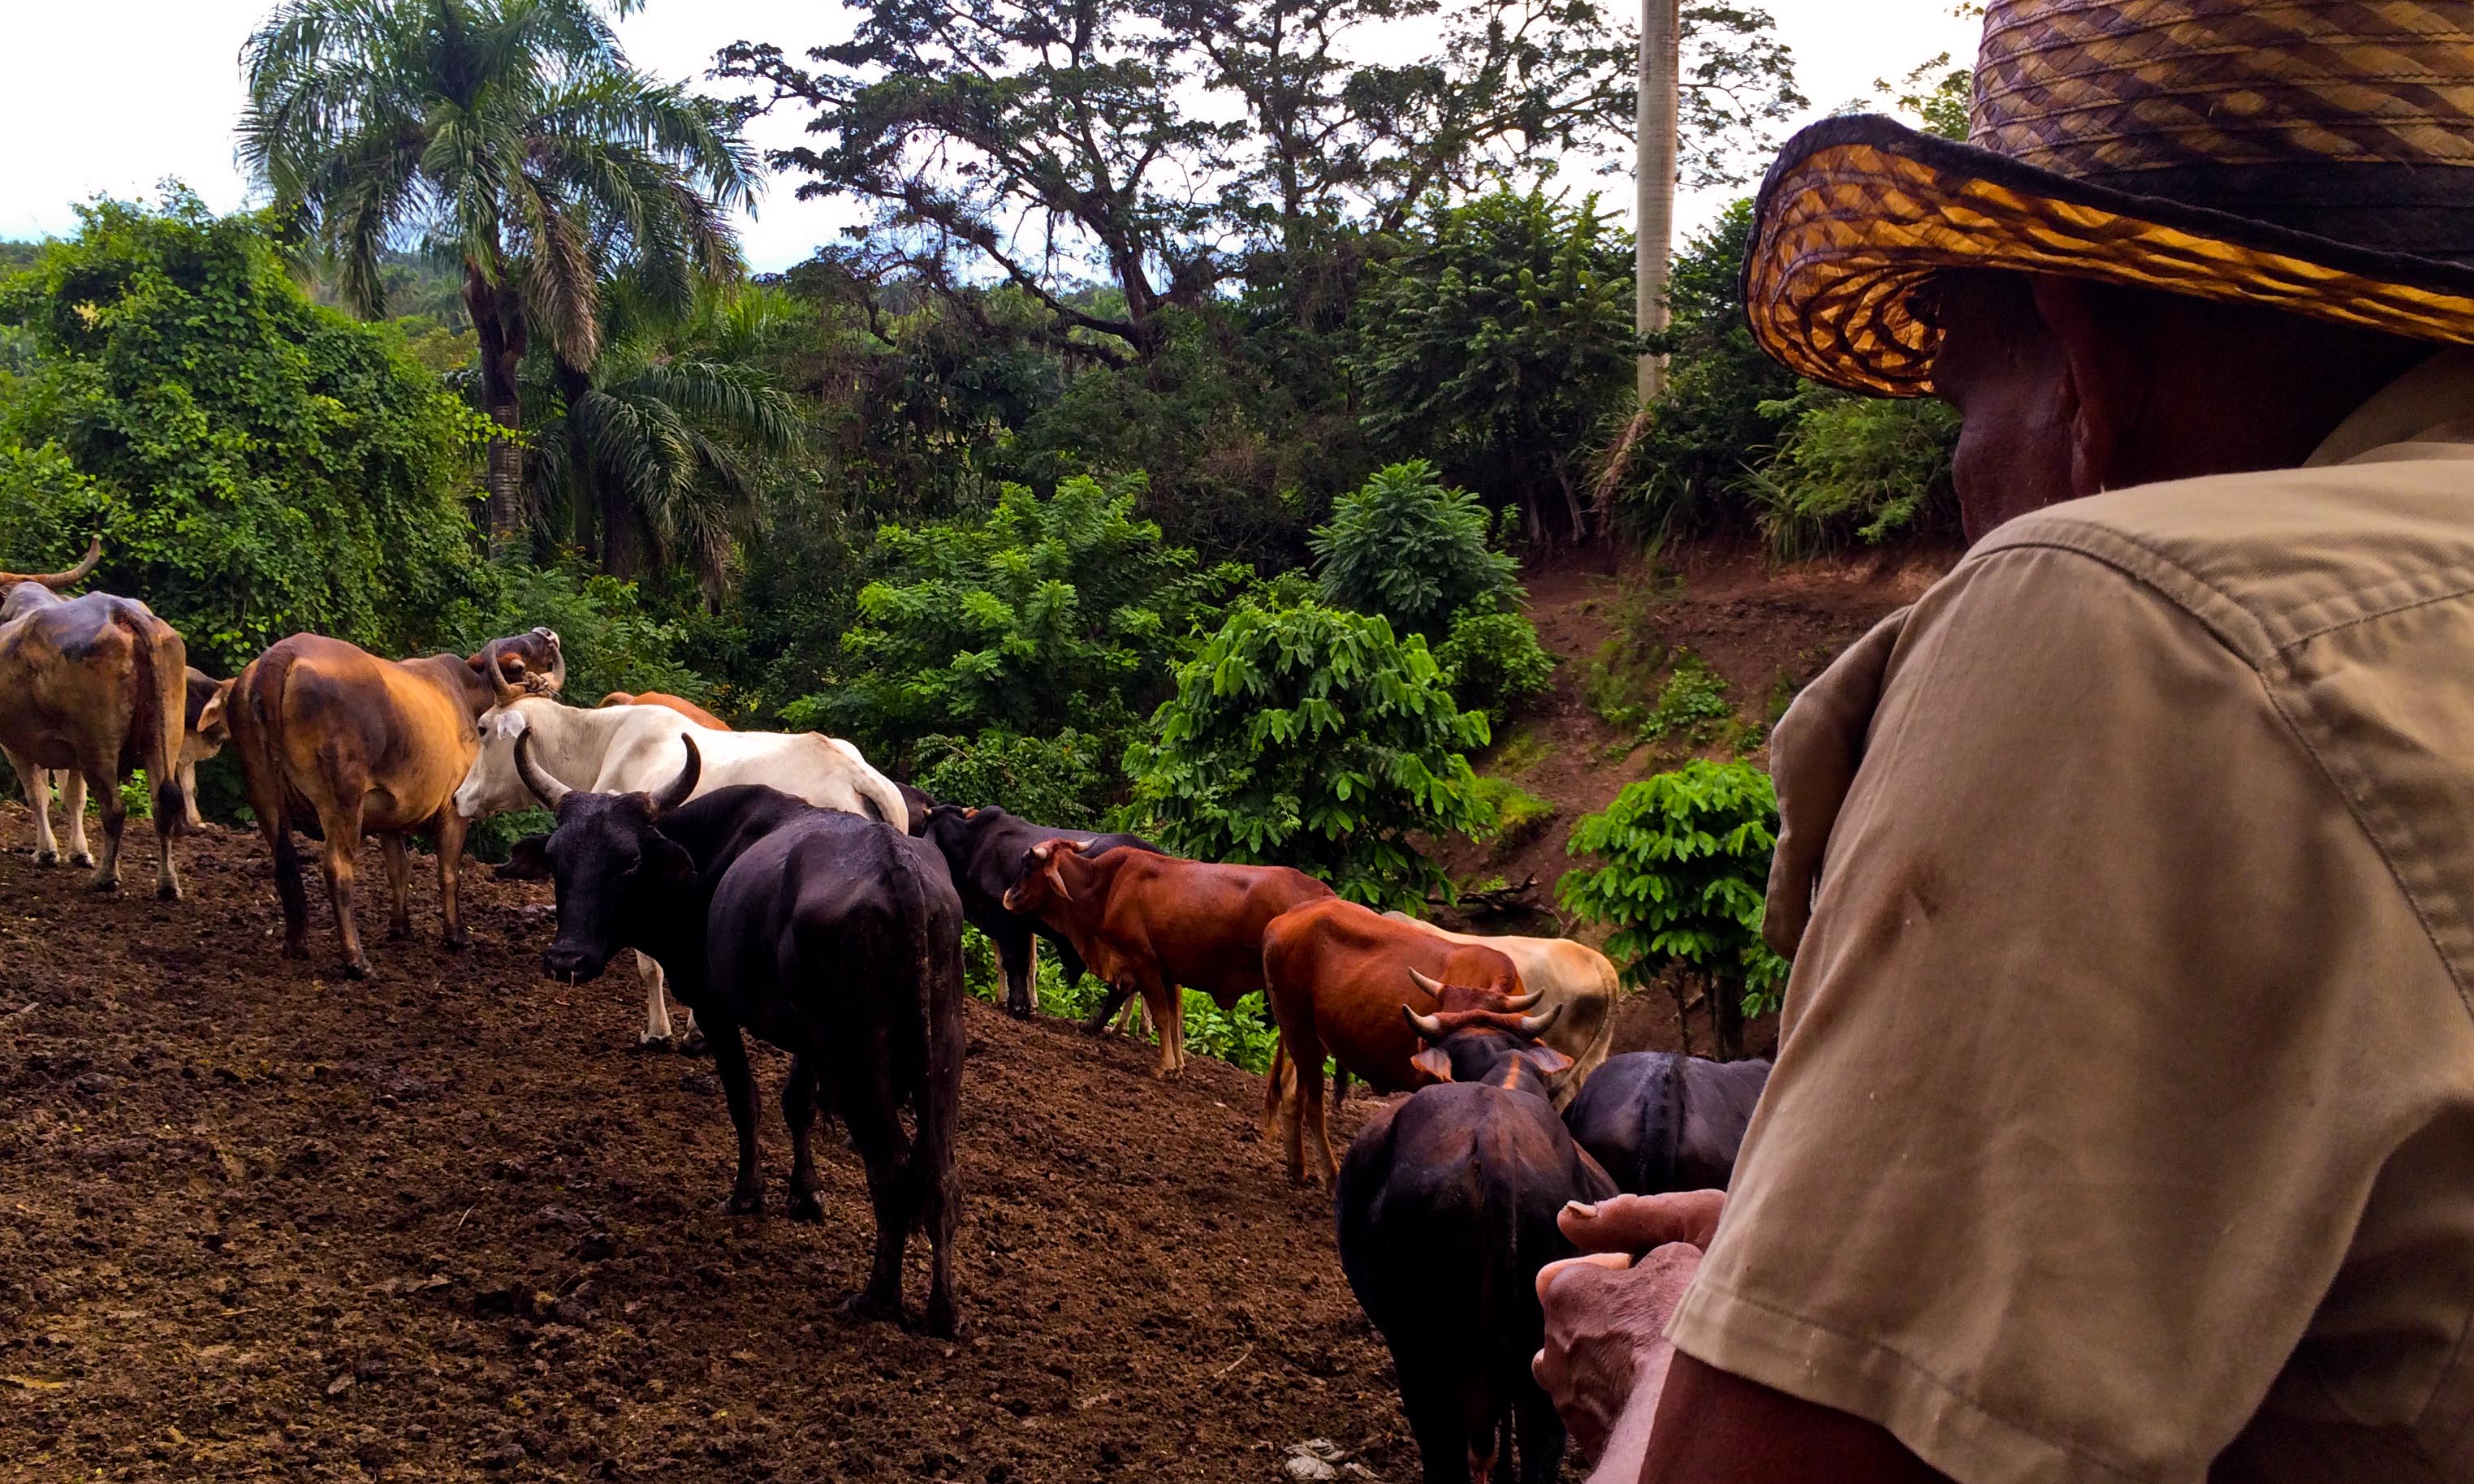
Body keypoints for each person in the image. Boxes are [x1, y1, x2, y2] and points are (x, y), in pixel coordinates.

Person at [1533, 3, 2474, 1482]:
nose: (1966, 479)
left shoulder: (2127, 626)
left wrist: (1670, 1358)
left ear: (2085, 365)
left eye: (1960, 399)